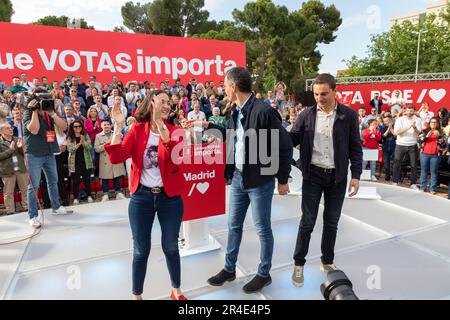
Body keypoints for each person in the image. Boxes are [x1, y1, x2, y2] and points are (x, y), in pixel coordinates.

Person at [187, 67, 292, 293]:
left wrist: (283, 179)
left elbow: (283, 146)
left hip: (260, 181)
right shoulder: (235, 111)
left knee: (262, 228)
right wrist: (209, 126)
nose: (223, 89)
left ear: (233, 87)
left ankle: (264, 274)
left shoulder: (264, 111)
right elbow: (232, 137)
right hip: (238, 178)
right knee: (233, 226)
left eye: (225, 85)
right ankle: (229, 268)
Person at [104, 90, 187, 300]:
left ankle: (176, 289)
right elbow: (116, 157)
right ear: (151, 103)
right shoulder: (137, 130)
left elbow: (178, 161)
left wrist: (166, 137)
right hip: (142, 198)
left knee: (171, 246)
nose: (168, 105)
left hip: (170, 199)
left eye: (170, 102)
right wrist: (117, 126)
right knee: (141, 250)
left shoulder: (176, 131)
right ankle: (137, 295)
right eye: (163, 101)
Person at [289, 73, 362, 287]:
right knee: (307, 223)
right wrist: (276, 133)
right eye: (316, 94)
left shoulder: (348, 115)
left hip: (337, 177)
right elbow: (293, 138)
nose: (319, 98)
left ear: (334, 91)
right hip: (312, 175)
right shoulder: (306, 115)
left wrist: (356, 175)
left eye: (323, 93)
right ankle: (299, 263)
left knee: (332, 222)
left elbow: (355, 148)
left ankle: (327, 262)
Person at [23, 92, 73, 228]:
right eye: (43, 101)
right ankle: (32, 216)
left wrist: (53, 113)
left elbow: (63, 127)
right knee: (34, 185)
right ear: (35, 102)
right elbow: (34, 130)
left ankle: (56, 207)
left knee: (53, 181)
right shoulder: (28, 113)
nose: (45, 103)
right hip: (34, 154)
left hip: (49, 152)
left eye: (48, 100)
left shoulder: (49, 114)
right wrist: (33, 111)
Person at [94, 119, 126, 202]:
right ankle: (105, 194)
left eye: (108, 124)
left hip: (115, 157)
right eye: (104, 125)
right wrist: (107, 143)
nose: (106, 126)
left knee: (117, 176)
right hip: (105, 159)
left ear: (110, 125)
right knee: (105, 178)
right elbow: (96, 149)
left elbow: (121, 144)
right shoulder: (98, 136)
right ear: (101, 126)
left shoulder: (116, 134)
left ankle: (118, 193)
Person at [0, 122, 28, 214]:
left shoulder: (17, 140)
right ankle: (10, 211)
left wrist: (21, 148)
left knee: (25, 190)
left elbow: (24, 153)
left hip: (21, 169)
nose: (11, 129)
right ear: (1, 131)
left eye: (11, 127)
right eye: (7, 128)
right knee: (8, 193)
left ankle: (27, 207)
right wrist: (10, 150)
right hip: (7, 171)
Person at [392, 105, 422, 189]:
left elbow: (418, 133)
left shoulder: (418, 119)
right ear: (405, 111)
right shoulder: (400, 119)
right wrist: (409, 127)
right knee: (397, 163)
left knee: (414, 165)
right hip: (400, 144)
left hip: (412, 145)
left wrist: (414, 127)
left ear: (414, 111)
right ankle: (395, 181)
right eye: (408, 111)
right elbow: (396, 132)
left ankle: (413, 183)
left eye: (411, 111)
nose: (409, 112)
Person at [66, 120, 94, 205]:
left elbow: (89, 147)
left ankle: (89, 195)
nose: (78, 128)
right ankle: (75, 198)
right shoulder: (70, 137)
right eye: (75, 126)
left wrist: (84, 141)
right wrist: (79, 143)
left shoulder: (85, 136)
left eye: (79, 126)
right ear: (72, 128)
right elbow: (70, 149)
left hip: (86, 161)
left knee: (87, 180)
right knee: (76, 181)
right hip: (74, 162)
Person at [418, 117, 446, 194]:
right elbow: (419, 140)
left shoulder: (441, 132)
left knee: (434, 172)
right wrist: (426, 136)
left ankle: (432, 189)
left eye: (435, 122)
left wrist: (439, 136)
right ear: (429, 123)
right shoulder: (424, 131)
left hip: (435, 155)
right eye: (432, 122)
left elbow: (444, 145)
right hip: (424, 154)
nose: (433, 124)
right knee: (424, 171)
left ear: (437, 124)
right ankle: (423, 187)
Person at [380, 116, 396, 181]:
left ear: (390, 121)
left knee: (394, 162)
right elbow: (383, 136)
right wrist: (388, 129)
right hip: (385, 147)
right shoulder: (382, 127)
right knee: (386, 162)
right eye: (384, 121)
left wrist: (391, 128)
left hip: (393, 146)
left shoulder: (395, 127)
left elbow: (395, 136)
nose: (385, 122)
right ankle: (387, 175)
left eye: (386, 121)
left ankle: (395, 176)